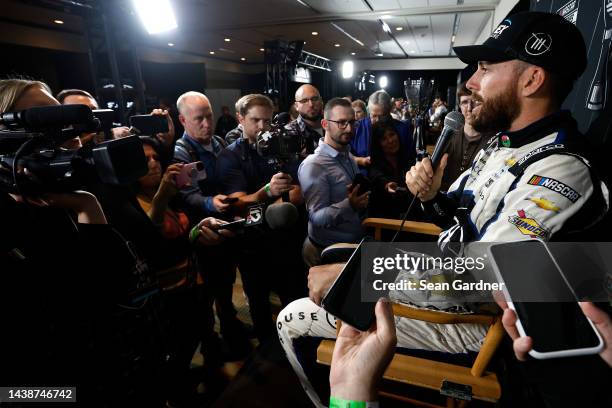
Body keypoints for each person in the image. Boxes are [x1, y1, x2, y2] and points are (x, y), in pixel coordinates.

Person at [278, 11, 610, 407]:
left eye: (485, 68)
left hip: (478, 318)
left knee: (292, 318)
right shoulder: (504, 142)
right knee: (334, 257)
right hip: (442, 277)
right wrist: (435, 198)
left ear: (532, 80)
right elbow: (463, 224)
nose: (470, 81)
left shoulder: (562, 167)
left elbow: (488, 272)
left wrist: (369, 273)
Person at [217, 93, 306, 343]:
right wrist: (266, 193)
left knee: (295, 297)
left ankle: (300, 346)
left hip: (287, 237)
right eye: (255, 120)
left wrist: (275, 207)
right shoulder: (230, 156)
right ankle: (268, 351)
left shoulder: (281, 146)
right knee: (258, 302)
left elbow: (298, 190)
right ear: (240, 119)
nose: (261, 127)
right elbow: (236, 203)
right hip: (252, 243)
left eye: (267, 121)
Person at [173, 91, 251, 359]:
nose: (207, 123)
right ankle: (210, 343)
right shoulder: (181, 152)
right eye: (199, 119)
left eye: (209, 116)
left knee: (226, 281)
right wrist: (210, 203)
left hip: (226, 227)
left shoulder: (218, 143)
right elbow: (186, 194)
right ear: (183, 120)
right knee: (206, 292)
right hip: (203, 233)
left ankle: (230, 325)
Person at [298, 97, 368, 268]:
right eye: (341, 123)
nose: (349, 128)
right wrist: (350, 205)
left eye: (352, 122)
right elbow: (316, 218)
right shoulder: (314, 165)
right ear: (325, 124)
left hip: (350, 246)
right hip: (327, 252)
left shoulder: (348, 155)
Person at [439, 82, 494, 191]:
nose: (469, 108)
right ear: (459, 106)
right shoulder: (449, 135)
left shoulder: (494, 140)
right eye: (464, 102)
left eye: (475, 102)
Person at [368, 122, 421, 221]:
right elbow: (377, 177)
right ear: (378, 144)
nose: (390, 141)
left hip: (411, 220)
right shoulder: (374, 164)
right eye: (384, 139)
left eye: (392, 135)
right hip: (384, 223)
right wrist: (386, 185)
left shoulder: (409, 160)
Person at [351, 90, 414, 171]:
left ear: (389, 111)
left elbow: (410, 159)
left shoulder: (402, 129)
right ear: (369, 111)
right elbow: (343, 156)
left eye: (382, 116)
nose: (377, 120)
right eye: (374, 116)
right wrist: (359, 160)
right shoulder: (357, 128)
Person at [285, 84, 324, 155]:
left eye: (314, 99)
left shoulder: (333, 125)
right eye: (304, 101)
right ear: (296, 106)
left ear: (321, 101)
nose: (311, 104)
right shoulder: (288, 132)